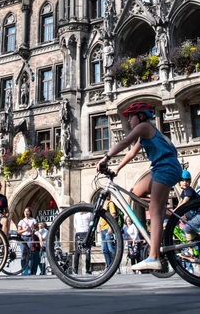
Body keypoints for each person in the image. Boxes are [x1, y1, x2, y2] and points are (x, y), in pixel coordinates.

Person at [97, 102, 181, 272]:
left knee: (154, 211)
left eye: (131, 117)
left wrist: (106, 158)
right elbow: (131, 152)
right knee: (134, 193)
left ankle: (154, 257)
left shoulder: (144, 127)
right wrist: (117, 169)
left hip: (166, 167)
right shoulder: (144, 134)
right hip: (158, 168)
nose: (128, 121)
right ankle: (165, 211)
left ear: (141, 116)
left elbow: (124, 142)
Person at [18, 206, 39, 275]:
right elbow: (19, 231)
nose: (26, 213)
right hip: (23, 238)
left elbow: (37, 227)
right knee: (23, 254)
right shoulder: (21, 221)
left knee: (30, 254)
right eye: (25, 211)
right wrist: (25, 229)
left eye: (27, 211)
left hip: (30, 237)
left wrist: (34, 229)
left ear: (30, 212)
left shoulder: (33, 220)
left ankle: (29, 269)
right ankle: (23, 269)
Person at [72, 209, 92, 274]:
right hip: (86, 233)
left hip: (78, 233)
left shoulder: (76, 214)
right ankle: (87, 269)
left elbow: (75, 225)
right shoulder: (89, 214)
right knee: (87, 251)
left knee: (77, 252)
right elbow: (91, 223)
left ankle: (75, 270)